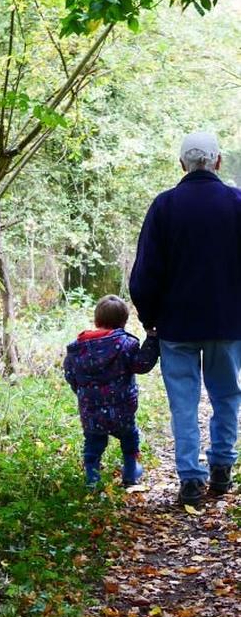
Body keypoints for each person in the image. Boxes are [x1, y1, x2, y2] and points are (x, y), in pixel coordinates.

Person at [130, 130, 240, 506]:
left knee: (184, 402)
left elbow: (145, 272)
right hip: (229, 323)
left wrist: (149, 318)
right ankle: (222, 468)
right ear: (218, 162)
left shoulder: (164, 206)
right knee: (227, 396)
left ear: (182, 165)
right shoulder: (237, 202)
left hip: (175, 325)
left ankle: (191, 479)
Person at [64, 295, 160, 487]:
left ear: (96, 320)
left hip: (90, 410)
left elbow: (70, 375)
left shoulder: (77, 349)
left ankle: (92, 478)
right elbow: (141, 365)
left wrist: (84, 395)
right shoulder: (126, 345)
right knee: (129, 436)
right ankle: (131, 472)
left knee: (93, 442)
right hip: (122, 409)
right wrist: (152, 340)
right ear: (123, 322)